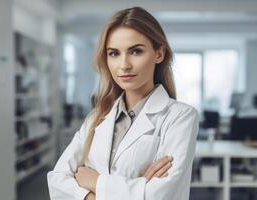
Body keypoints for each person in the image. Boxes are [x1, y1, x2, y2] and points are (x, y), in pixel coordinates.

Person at [47, 6, 199, 200]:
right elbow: (57, 179)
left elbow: (162, 195)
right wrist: (138, 186)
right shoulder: (97, 118)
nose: (124, 65)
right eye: (114, 53)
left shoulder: (181, 117)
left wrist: (94, 182)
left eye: (136, 51)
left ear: (159, 54)